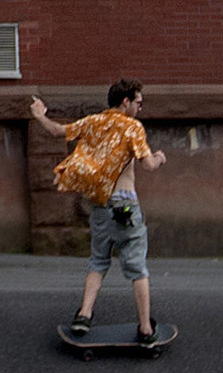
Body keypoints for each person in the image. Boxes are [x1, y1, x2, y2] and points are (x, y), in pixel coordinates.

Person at [30, 80, 166, 341]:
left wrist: (39, 116)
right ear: (125, 101)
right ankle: (146, 329)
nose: (140, 107)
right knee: (137, 267)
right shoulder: (132, 127)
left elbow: (58, 131)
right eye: (138, 102)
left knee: (98, 260)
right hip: (125, 205)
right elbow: (148, 165)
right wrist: (159, 157)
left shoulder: (93, 121)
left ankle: (84, 315)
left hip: (100, 204)